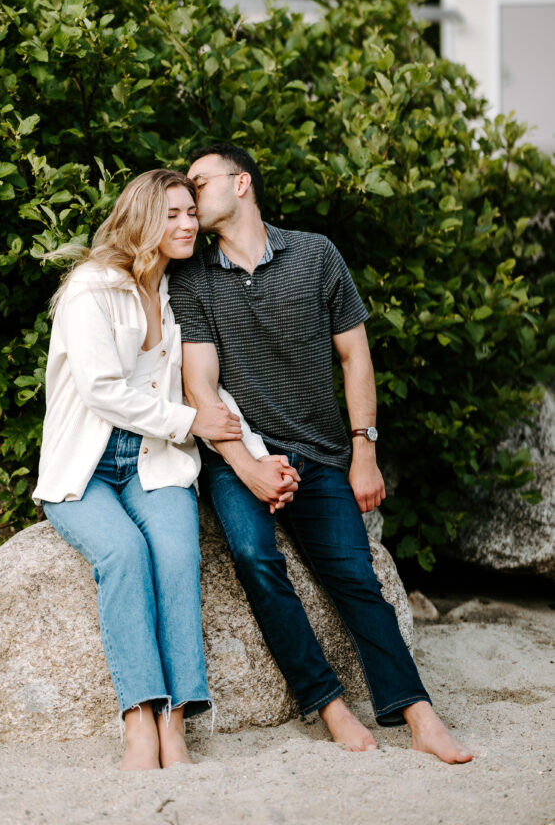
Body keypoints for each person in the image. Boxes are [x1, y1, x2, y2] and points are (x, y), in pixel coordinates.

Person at [168, 145, 473, 765]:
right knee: (256, 558)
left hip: (321, 452)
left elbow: (355, 356)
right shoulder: (193, 278)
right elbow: (199, 387)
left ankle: (419, 714)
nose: (192, 196)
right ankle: (329, 706)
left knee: (356, 579)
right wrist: (249, 467)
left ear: (242, 183)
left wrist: (365, 453)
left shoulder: (315, 253)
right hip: (242, 455)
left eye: (200, 182)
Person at [33, 169, 259, 772]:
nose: (187, 224)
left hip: (154, 460)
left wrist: (255, 453)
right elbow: (103, 391)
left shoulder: (176, 291)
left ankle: (175, 722)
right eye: (173, 214)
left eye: (191, 212)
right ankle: (139, 719)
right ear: (141, 219)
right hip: (87, 465)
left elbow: (207, 385)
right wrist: (190, 422)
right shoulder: (92, 289)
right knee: (124, 556)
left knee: (179, 558)